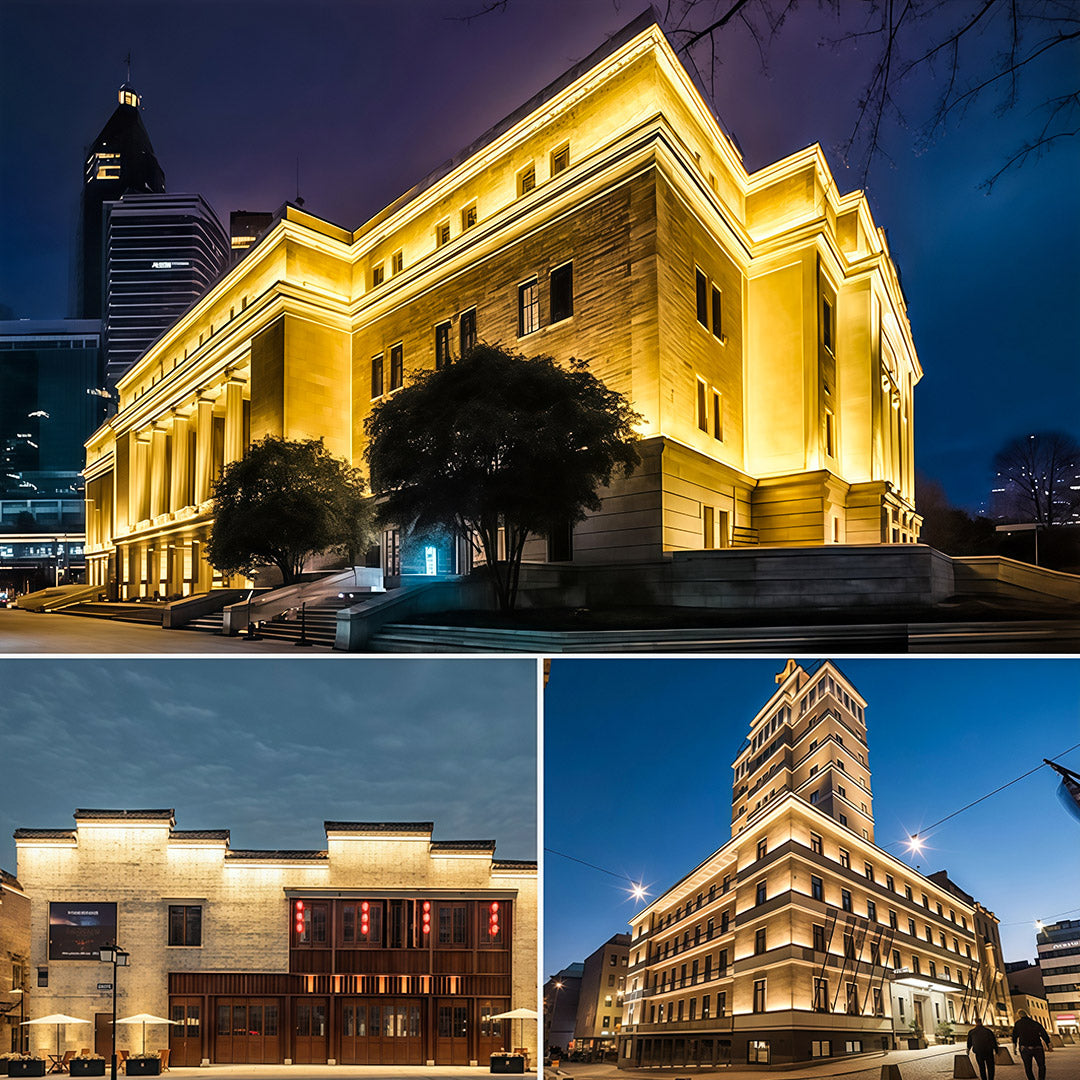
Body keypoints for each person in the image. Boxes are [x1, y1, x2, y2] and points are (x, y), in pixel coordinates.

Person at [1012, 1008, 1052, 1080]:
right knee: (1041, 1065)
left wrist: (1014, 1048)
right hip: (1037, 1047)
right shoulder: (1035, 1023)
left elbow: (1014, 1036)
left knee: (1028, 1067)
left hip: (1025, 1048)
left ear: (1019, 1015)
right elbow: (1044, 1033)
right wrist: (1048, 1044)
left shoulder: (1018, 1024)